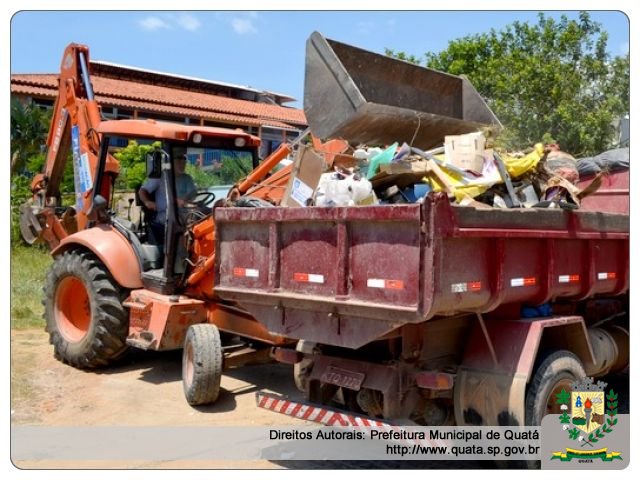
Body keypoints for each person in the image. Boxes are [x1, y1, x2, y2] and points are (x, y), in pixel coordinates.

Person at [139, 154, 197, 245]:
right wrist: (147, 202)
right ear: (171, 161)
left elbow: (192, 196)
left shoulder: (187, 179)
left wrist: (189, 203)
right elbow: (142, 191)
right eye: (179, 159)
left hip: (184, 219)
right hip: (165, 221)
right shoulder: (161, 176)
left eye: (184, 159)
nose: (182, 162)